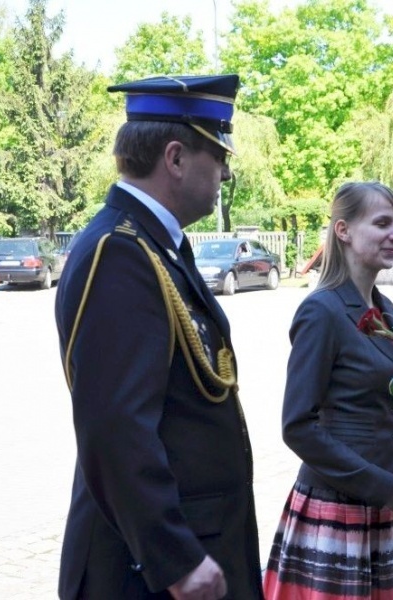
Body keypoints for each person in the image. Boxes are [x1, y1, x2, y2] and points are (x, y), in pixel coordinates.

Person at [54, 74, 263, 599]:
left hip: (183, 551)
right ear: (175, 158)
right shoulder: (120, 252)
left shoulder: (157, 244)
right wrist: (176, 559)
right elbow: (113, 426)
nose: (224, 174)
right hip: (147, 570)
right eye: (219, 159)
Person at [263, 182, 393, 600]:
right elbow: (298, 426)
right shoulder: (321, 311)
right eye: (382, 223)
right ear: (343, 231)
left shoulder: (386, 310)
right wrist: (380, 485)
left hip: (385, 512)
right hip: (337, 515)